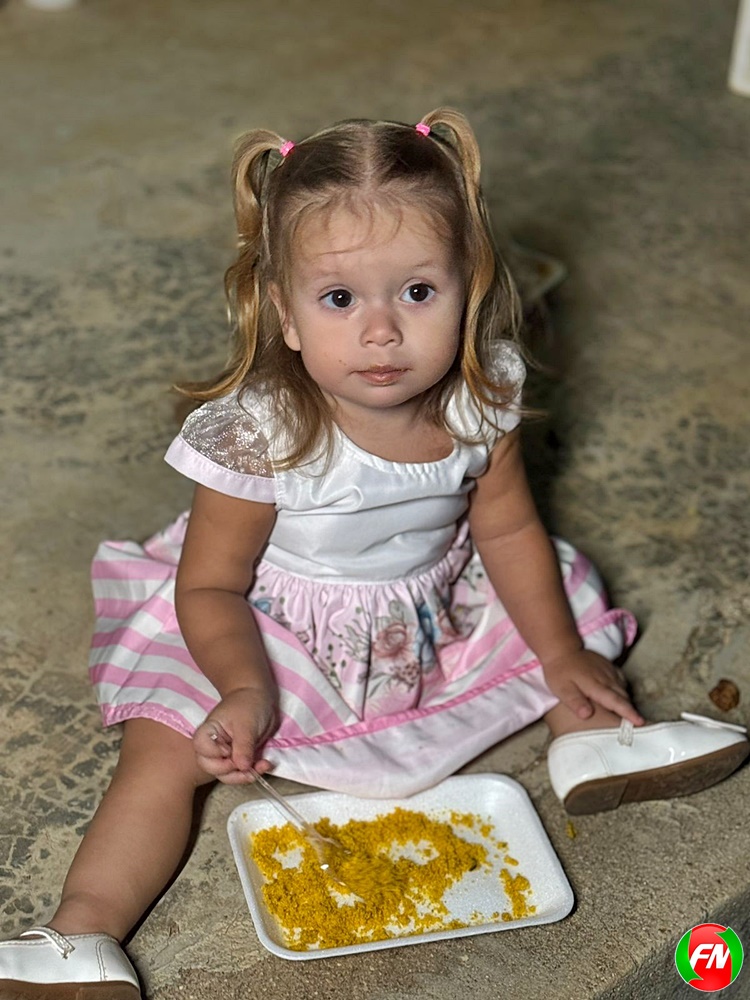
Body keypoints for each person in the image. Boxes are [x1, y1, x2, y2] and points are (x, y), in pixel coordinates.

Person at [1, 108, 747, 998]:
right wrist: (245, 688)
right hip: (264, 626)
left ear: (470, 288)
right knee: (164, 748)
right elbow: (209, 588)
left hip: (436, 609)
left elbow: (506, 531)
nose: (382, 331)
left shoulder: (482, 398)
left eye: (419, 292)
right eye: (340, 300)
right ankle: (82, 932)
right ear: (283, 311)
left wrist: (558, 652)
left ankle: (588, 735)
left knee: (566, 604)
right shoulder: (261, 436)